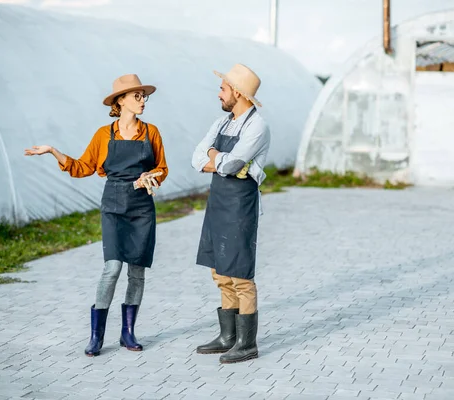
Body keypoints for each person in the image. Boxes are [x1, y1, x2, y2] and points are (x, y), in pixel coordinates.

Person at [24, 74, 168, 357]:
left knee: (137, 272)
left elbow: (162, 168)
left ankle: (128, 332)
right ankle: (96, 336)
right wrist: (53, 151)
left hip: (141, 208)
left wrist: (150, 176)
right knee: (112, 268)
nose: (142, 101)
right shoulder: (104, 134)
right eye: (136, 96)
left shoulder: (151, 132)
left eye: (143, 96)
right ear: (120, 100)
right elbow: (82, 167)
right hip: (114, 206)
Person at [191, 64, 271, 364]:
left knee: (240, 274)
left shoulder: (257, 127)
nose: (219, 93)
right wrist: (218, 159)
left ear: (237, 92)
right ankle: (228, 336)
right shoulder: (221, 123)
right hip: (218, 203)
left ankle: (247, 343)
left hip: (240, 207)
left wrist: (216, 157)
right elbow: (196, 157)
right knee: (219, 270)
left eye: (223, 88)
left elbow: (231, 165)